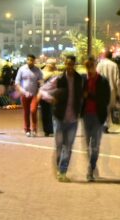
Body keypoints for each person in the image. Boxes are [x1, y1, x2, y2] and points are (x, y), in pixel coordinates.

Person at [41, 54, 85, 182]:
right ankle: (59, 166)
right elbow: (43, 90)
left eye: (72, 64)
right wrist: (51, 98)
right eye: (68, 64)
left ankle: (62, 171)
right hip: (59, 118)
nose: (70, 66)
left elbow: (82, 95)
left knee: (68, 147)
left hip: (73, 119)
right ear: (65, 64)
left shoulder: (79, 79)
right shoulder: (58, 79)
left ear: (74, 65)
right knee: (59, 147)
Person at [82, 57, 111, 181]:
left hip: (98, 116)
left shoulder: (103, 81)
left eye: (92, 66)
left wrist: (90, 95)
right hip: (86, 116)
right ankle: (92, 165)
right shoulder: (83, 80)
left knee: (95, 145)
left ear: (95, 66)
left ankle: (91, 168)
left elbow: (105, 99)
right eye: (88, 66)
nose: (90, 69)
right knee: (87, 145)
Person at [15, 55, 43, 136]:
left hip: (34, 94)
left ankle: (34, 129)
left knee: (33, 110)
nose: (30, 62)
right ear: (26, 60)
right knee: (26, 112)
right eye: (28, 60)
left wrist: (40, 90)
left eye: (32, 60)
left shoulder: (37, 70)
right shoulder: (22, 69)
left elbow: (41, 81)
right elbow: (17, 82)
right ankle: (27, 129)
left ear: (34, 61)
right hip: (24, 94)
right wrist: (22, 91)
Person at [97, 51, 120, 131]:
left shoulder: (100, 64)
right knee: (109, 107)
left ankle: (103, 124)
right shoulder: (114, 65)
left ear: (104, 56)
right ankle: (106, 125)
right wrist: (118, 94)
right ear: (111, 56)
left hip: (101, 89)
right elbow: (117, 80)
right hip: (111, 89)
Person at [38, 58, 59, 137]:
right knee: (45, 112)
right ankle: (47, 130)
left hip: (54, 95)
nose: (54, 66)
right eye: (52, 64)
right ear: (47, 64)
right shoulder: (42, 72)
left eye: (54, 64)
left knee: (53, 112)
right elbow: (41, 82)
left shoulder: (56, 73)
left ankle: (53, 129)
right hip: (44, 95)